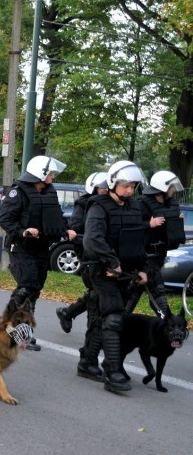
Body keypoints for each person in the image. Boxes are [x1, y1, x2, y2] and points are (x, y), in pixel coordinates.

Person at [81, 160, 147, 393]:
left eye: (133, 186)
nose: (130, 190)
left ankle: (87, 362)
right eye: (126, 186)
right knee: (114, 316)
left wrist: (142, 269)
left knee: (101, 317)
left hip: (123, 272)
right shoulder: (99, 206)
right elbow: (92, 240)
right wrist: (112, 261)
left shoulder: (134, 207)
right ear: (113, 183)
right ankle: (112, 370)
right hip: (100, 270)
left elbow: (138, 240)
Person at [0, 155, 76, 351]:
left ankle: (23, 332)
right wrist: (23, 231)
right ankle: (10, 329)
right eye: (50, 173)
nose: (53, 177)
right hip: (21, 247)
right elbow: (5, 219)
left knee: (34, 291)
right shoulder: (18, 192)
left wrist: (66, 229)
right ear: (40, 174)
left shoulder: (49, 191)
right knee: (26, 287)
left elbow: (55, 217)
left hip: (41, 248)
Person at [125, 170, 186, 316]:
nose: (173, 190)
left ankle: (117, 323)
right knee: (157, 291)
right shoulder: (142, 205)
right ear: (161, 189)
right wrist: (149, 224)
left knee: (135, 292)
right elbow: (130, 228)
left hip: (159, 255)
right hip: (146, 256)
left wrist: (176, 221)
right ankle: (170, 326)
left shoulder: (168, 204)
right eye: (171, 187)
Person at [56, 172, 109, 333]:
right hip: (89, 254)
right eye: (102, 187)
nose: (106, 190)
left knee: (97, 292)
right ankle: (93, 334)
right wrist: (87, 238)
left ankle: (69, 312)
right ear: (93, 187)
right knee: (96, 291)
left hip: (106, 252)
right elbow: (73, 228)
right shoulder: (84, 204)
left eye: (107, 187)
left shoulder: (111, 203)